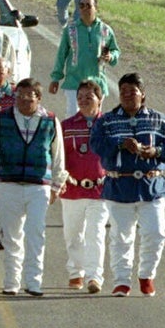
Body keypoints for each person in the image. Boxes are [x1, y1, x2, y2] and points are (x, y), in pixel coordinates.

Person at [90, 73, 165, 297]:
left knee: (156, 233)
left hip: (152, 185)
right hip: (120, 185)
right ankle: (122, 280)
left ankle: (147, 274)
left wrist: (156, 151)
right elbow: (96, 144)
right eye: (123, 92)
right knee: (121, 236)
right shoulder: (107, 121)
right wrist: (121, 144)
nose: (128, 96)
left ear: (143, 94)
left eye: (133, 92)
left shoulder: (160, 120)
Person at [0, 79, 66, 297]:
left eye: (29, 95)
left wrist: (56, 185)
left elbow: (58, 155)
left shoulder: (50, 120)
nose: (23, 99)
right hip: (9, 183)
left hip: (39, 185)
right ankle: (11, 282)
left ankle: (33, 282)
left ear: (38, 98)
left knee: (35, 233)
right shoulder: (2, 117)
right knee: (11, 235)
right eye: (20, 95)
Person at [61, 81, 109, 293]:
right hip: (72, 189)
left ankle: (94, 277)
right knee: (73, 234)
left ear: (100, 99)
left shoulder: (108, 125)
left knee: (95, 233)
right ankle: (75, 272)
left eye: (89, 97)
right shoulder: (66, 125)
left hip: (100, 190)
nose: (83, 100)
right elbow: (57, 156)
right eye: (80, 97)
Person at [49, 0, 119, 116]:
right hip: (74, 82)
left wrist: (111, 56)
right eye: (81, 5)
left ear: (96, 8)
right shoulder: (71, 30)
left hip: (97, 83)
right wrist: (56, 78)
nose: (84, 9)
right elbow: (61, 54)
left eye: (88, 5)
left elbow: (115, 51)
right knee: (72, 116)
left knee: (95, 118)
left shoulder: (105, 30)